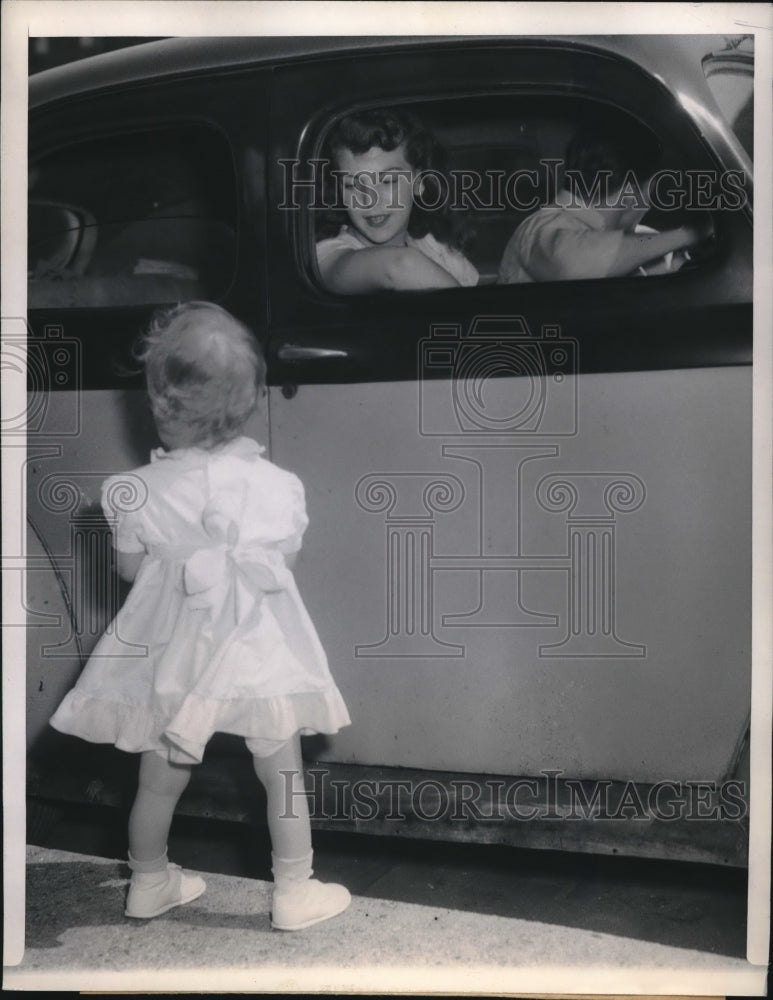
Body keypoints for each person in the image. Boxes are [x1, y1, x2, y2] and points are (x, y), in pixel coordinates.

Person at [50, 301, 352, 930]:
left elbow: (132, 572)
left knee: (159, 777)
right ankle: (295, 890)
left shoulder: (136, 489)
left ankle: (150, 880)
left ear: (158, 404)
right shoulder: (278, 485)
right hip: (255, 648)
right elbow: (284, 561)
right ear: (252, 399)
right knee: (281, 772)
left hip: (173, 651)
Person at [497, 122, 709, 284]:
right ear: (629, 191)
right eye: (649, 192)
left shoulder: (596, 235)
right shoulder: (539, 231)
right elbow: (574, 262)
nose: (648, 206)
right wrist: (690, 233)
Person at [316, 108, 478, 293]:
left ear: (418, 182)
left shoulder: (435, 246)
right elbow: (400, 266)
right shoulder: (327, 257)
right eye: (352, 185)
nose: (369, 200)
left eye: (388, 181)